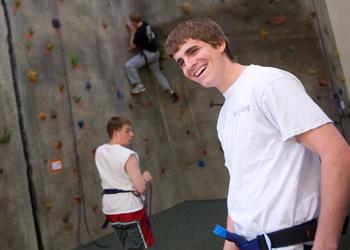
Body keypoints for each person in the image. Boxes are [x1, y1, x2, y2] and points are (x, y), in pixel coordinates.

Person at [165, 17, 350, 250]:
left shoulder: (267, 83)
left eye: (193, 51)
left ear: (220, 44)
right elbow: (241, 185)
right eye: (181, 62)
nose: (188, 64)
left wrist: (325, 245)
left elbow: (338, 153)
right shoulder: (224, 117)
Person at [95, 116, 155, 249]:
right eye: (127, 131)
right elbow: (139, 187)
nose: (132, 134)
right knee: (140, 246)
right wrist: (144, 176)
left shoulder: (100, 151)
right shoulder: (129, 155)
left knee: (127, 246)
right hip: (129, 208)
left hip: (110, 209)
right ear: (115, 133)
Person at [125, 11, 179, 103]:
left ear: (133, 22)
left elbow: (132, 45)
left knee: (129, 66)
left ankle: (138, 85)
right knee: (157, 72)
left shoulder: (139, 34)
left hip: (148, 55)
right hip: (156, 53)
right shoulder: (146, 24)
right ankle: (171, 91)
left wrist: (132, 31)